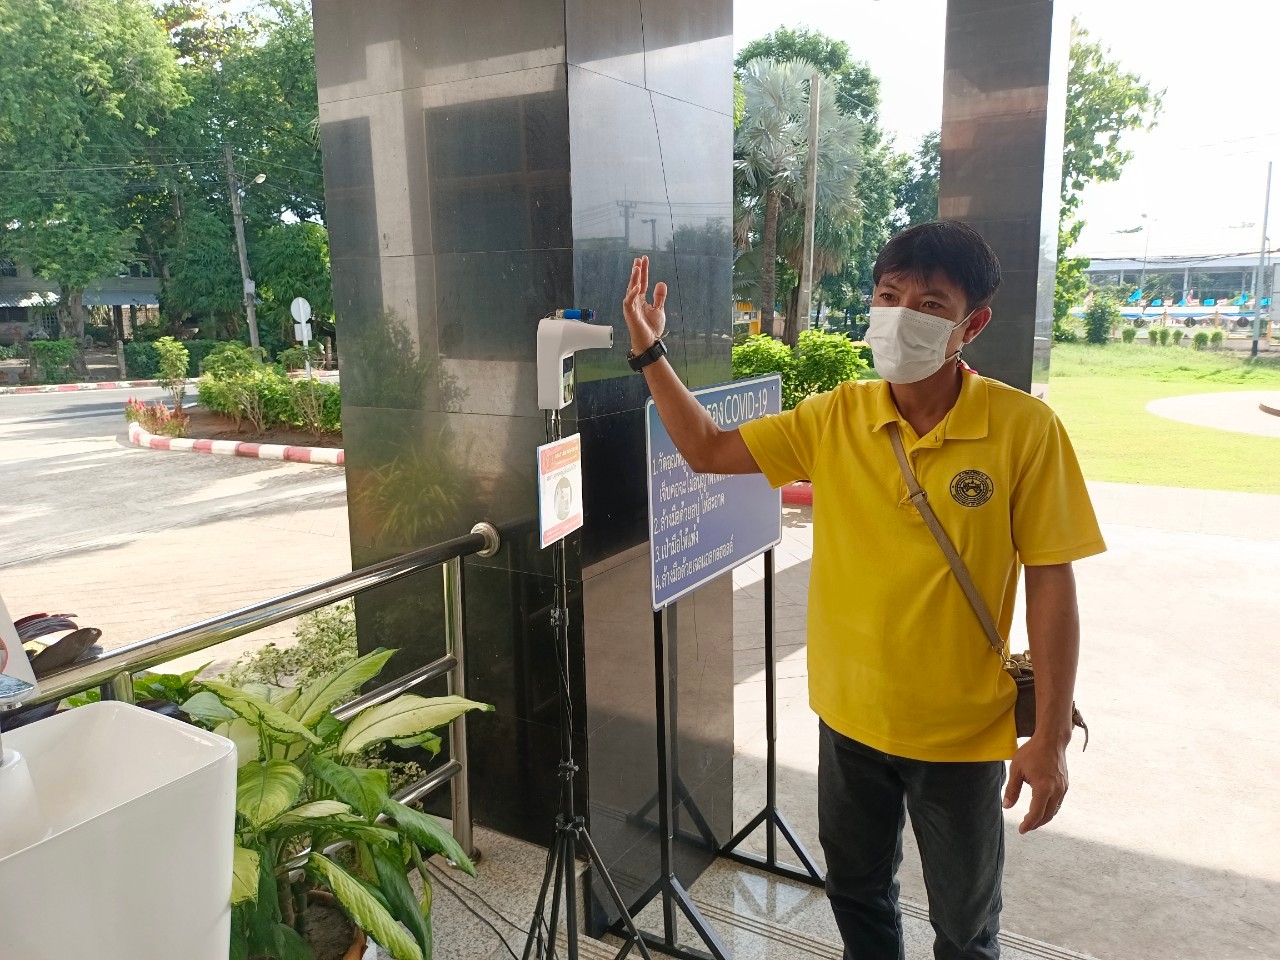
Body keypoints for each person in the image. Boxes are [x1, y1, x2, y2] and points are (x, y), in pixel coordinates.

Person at [621, 221, 1106, 960]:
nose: (902, 314)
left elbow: (1051, 584)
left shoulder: (1023, 429)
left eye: (931, 305)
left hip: (960, 733)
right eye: (888, 295)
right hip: (848, 719)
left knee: (965, 926)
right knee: (856, 895)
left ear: (971, 325)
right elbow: (708, 449)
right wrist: (650, 352)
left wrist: (1049, 740)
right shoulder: (836, 416)